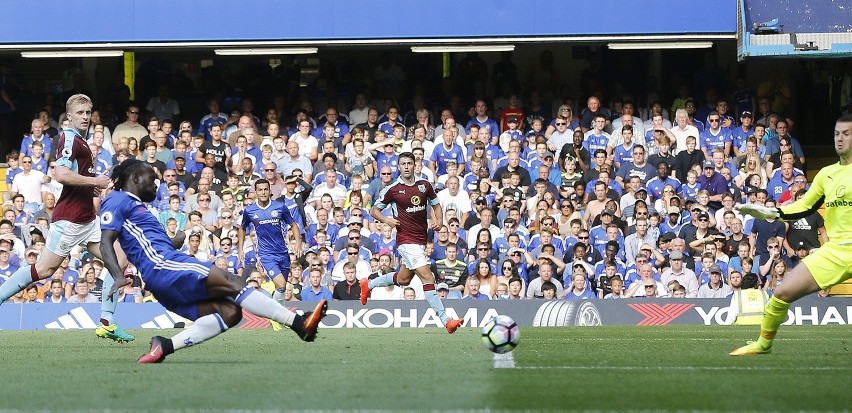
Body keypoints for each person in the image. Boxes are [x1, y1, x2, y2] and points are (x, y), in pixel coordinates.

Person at [99, 159, 327, 363]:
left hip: (162, 274)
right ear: (135, 178)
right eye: (151, 179)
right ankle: (299, 324)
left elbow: (146, 244)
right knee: (230, 279)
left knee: (230, 312)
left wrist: (175, 240)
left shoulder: (136, 207)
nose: (155, 185)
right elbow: (105, 241)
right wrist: (118, 275)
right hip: (164, 266)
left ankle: (165, 346)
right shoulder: (118, 199)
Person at [0, 94, 135, 342]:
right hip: (70, 220)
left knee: (120, 260)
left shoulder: (81, 141)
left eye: (88, 112)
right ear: (69, 116)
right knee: (44, 269)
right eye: (80, 112)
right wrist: (95, 181)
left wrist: (90, 187)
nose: (85, 116)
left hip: (88, 220)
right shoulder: (69, 138)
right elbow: (61, 174)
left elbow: (74, 177)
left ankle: (107, 321)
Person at [731, 115, 852, 355]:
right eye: (837, 133)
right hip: (837, 251)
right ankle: (763, 344)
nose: (840, 138)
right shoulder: (827, 174)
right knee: (782, 292)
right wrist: (770, 212)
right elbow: (804, 206)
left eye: (846, 133)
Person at [360, 152, 463, 333]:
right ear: (398, 167)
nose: (406, 166)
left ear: (415, 165)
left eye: (409, 163)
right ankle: (447, 321)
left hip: (420, 240)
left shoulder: (424, 185)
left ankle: (368, 284)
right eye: (403, 164)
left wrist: (439, 220)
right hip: (406, 241)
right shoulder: (393, 189)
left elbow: (436, 203)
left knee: (403, 279)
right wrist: (387, 220)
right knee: (428, 278)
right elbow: (374, 210)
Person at [237, 179, 301, 303]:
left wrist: (298, 243)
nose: (263, 192)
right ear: (255, 192)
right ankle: (274, 315)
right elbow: (242, 228)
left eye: (266, 189)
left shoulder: (280, 207)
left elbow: (293, 224)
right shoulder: (250, 210)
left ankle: (278, 315)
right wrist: (240, 249)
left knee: (281, 288)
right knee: (282, 285)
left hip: (283, 253)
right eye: (260, 190)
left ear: (270, 191)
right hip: (266, 255)